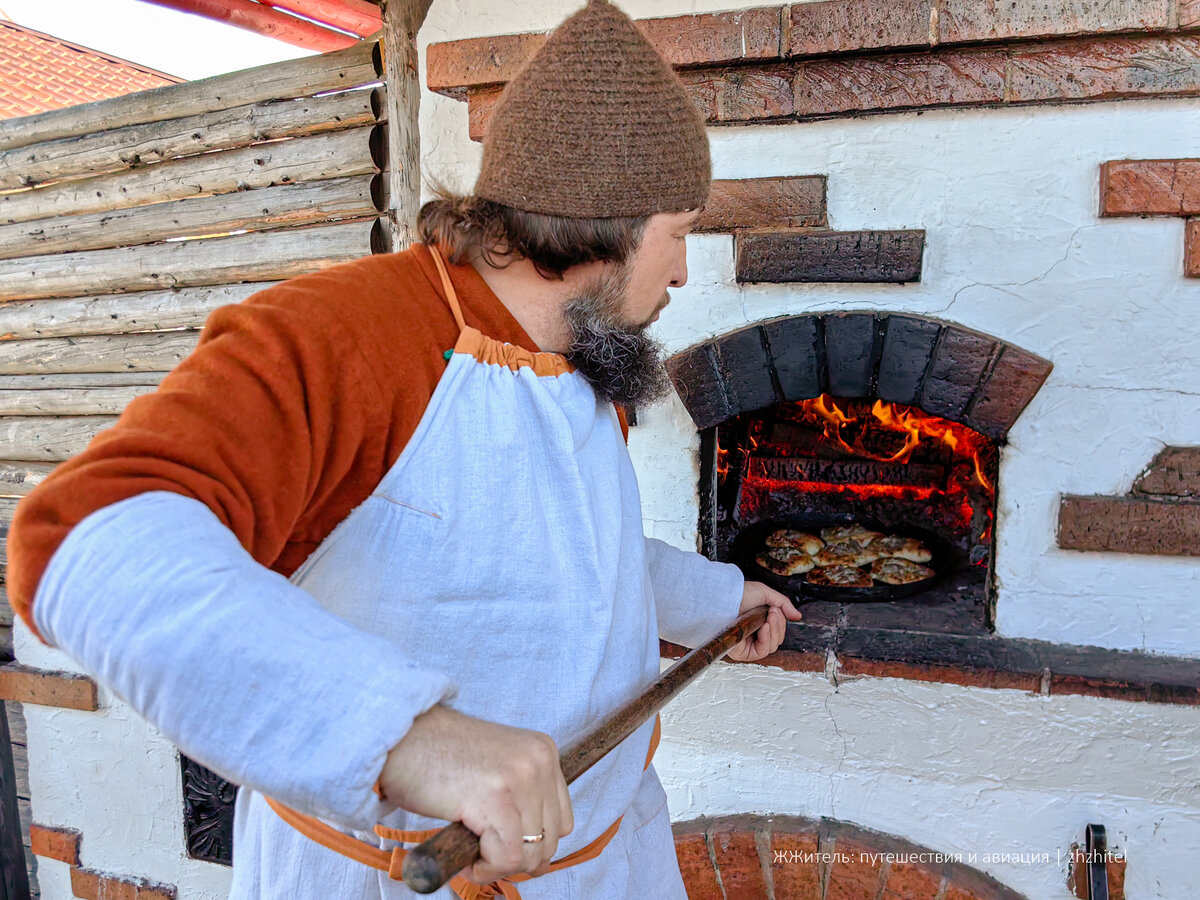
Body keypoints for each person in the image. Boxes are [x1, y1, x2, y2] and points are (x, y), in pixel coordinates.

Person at [6, 1, 801, 897]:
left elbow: (574, 564)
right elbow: (88, 542)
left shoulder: (577, 358)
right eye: (679, 234)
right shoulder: (347, 333)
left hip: (608, 864)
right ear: (610, 222)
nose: (684, 274)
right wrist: (404, 737)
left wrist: (724, 600)